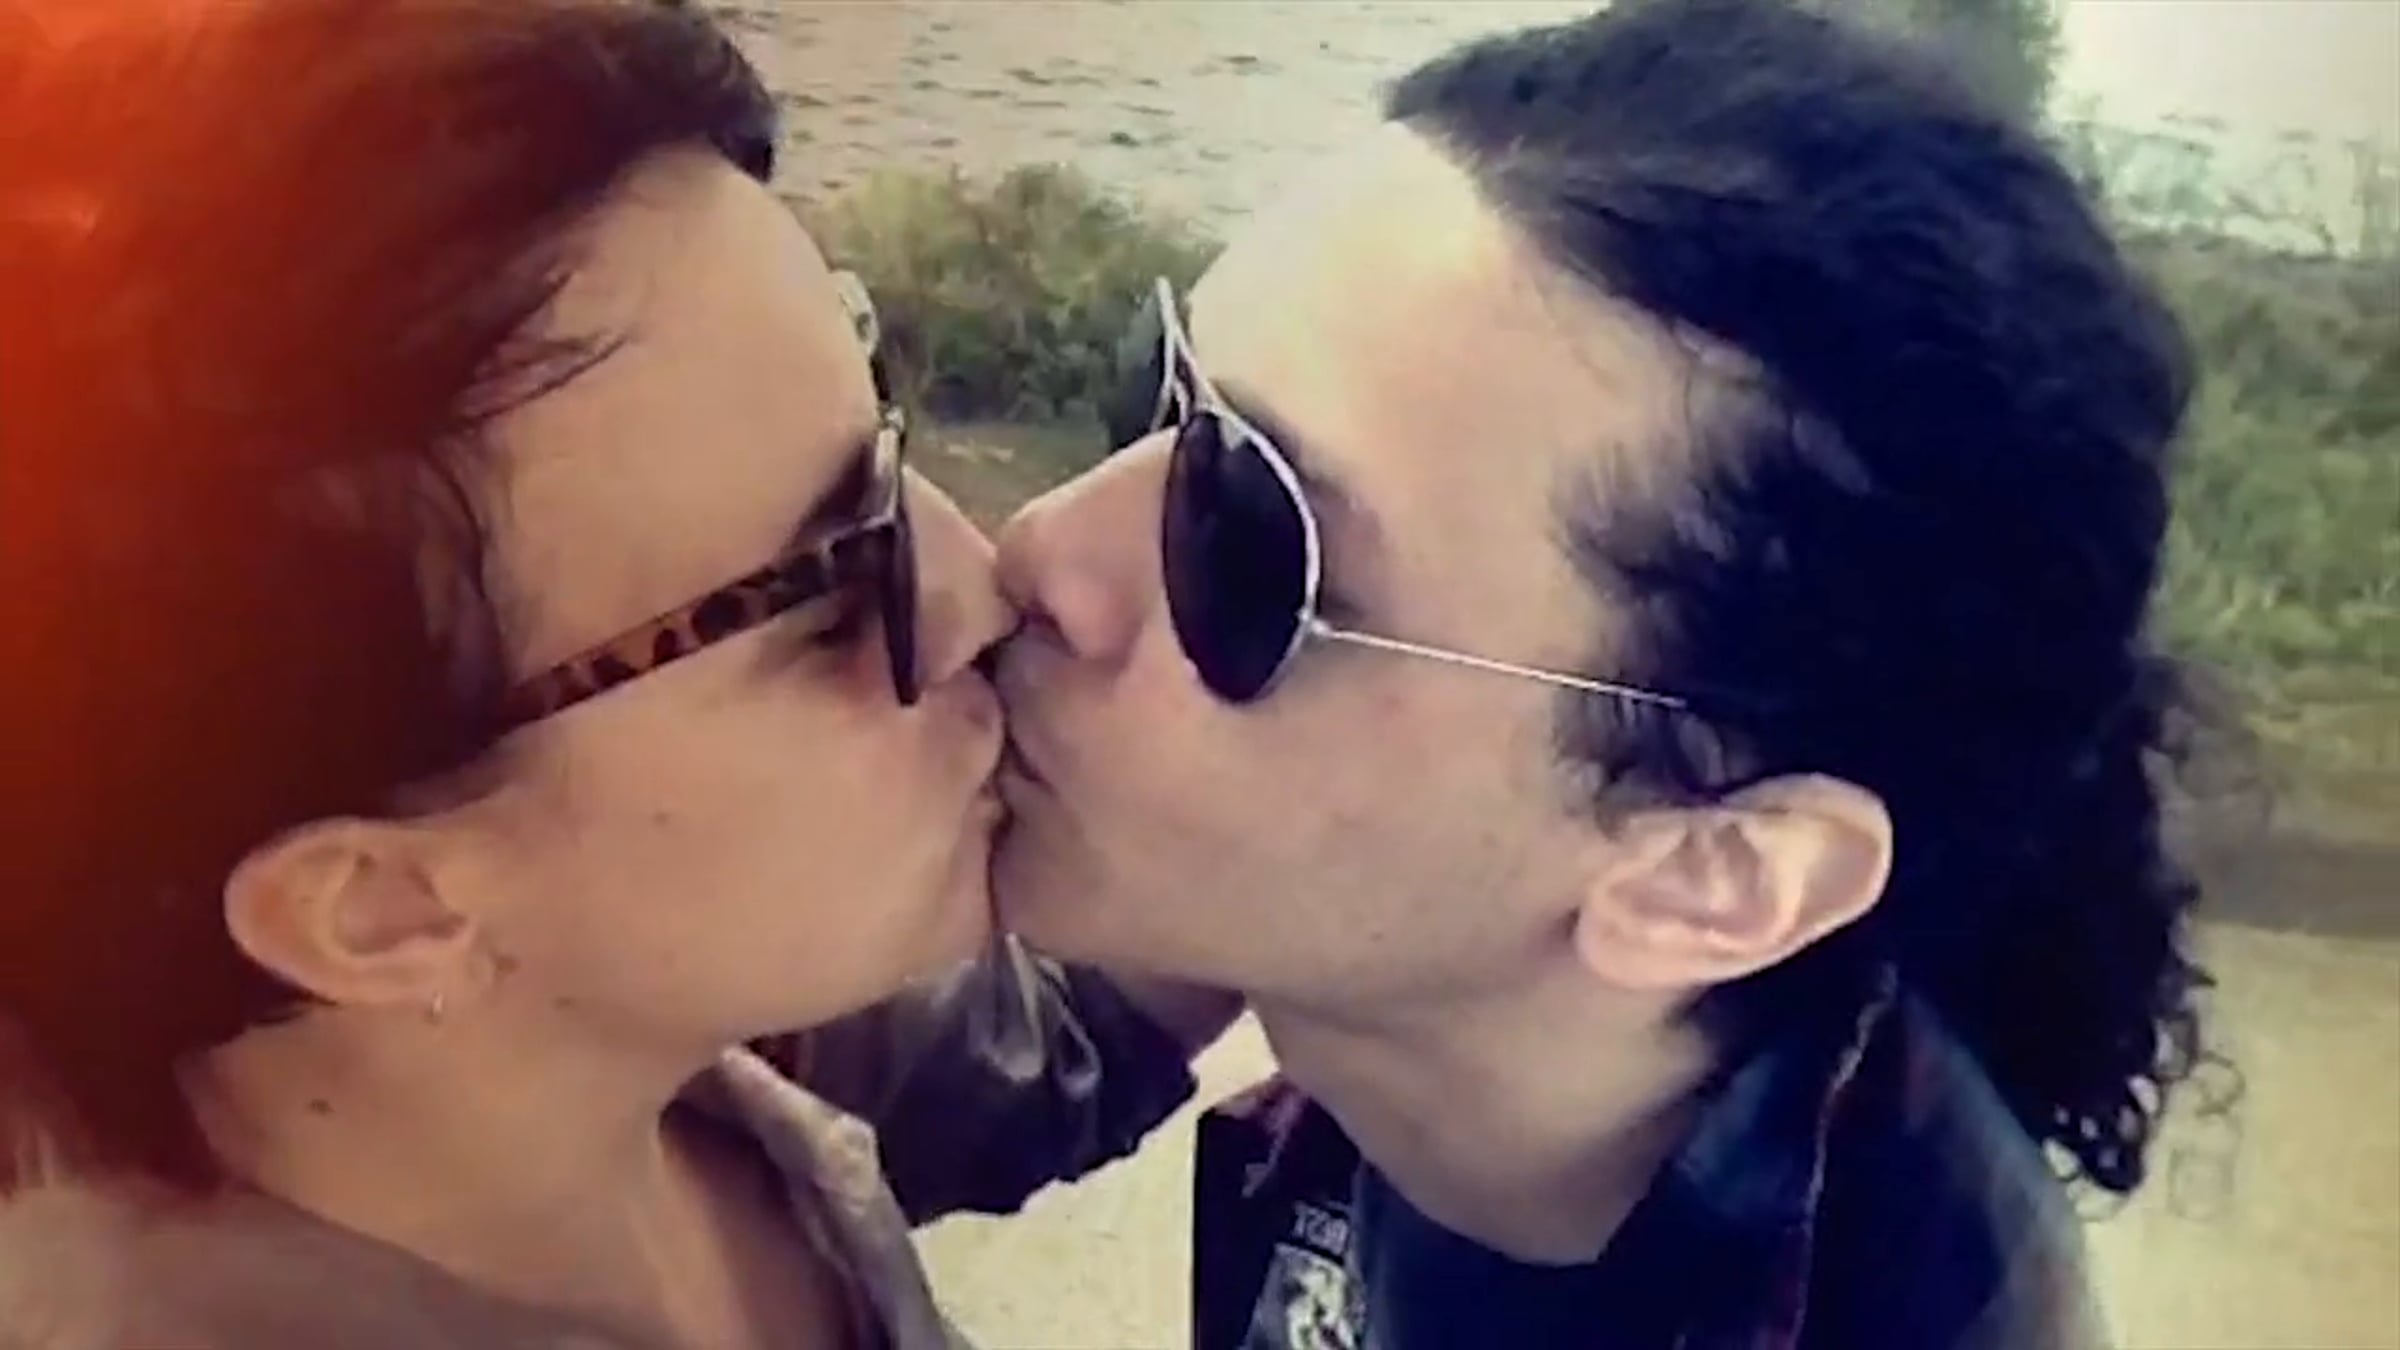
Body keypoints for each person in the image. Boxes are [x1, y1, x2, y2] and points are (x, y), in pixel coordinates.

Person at [987, 0, 2217, 1345]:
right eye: (1158, 396)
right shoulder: (1420, 1013)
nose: (1040, 548)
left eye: (1243, 541)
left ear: (1708, 875)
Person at [0, 2, 1201, 1346]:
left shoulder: (612, 1016)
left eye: (882, 421)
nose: (987, 576)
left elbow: (1028, 1049)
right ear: (381, 907)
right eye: (822, 601)